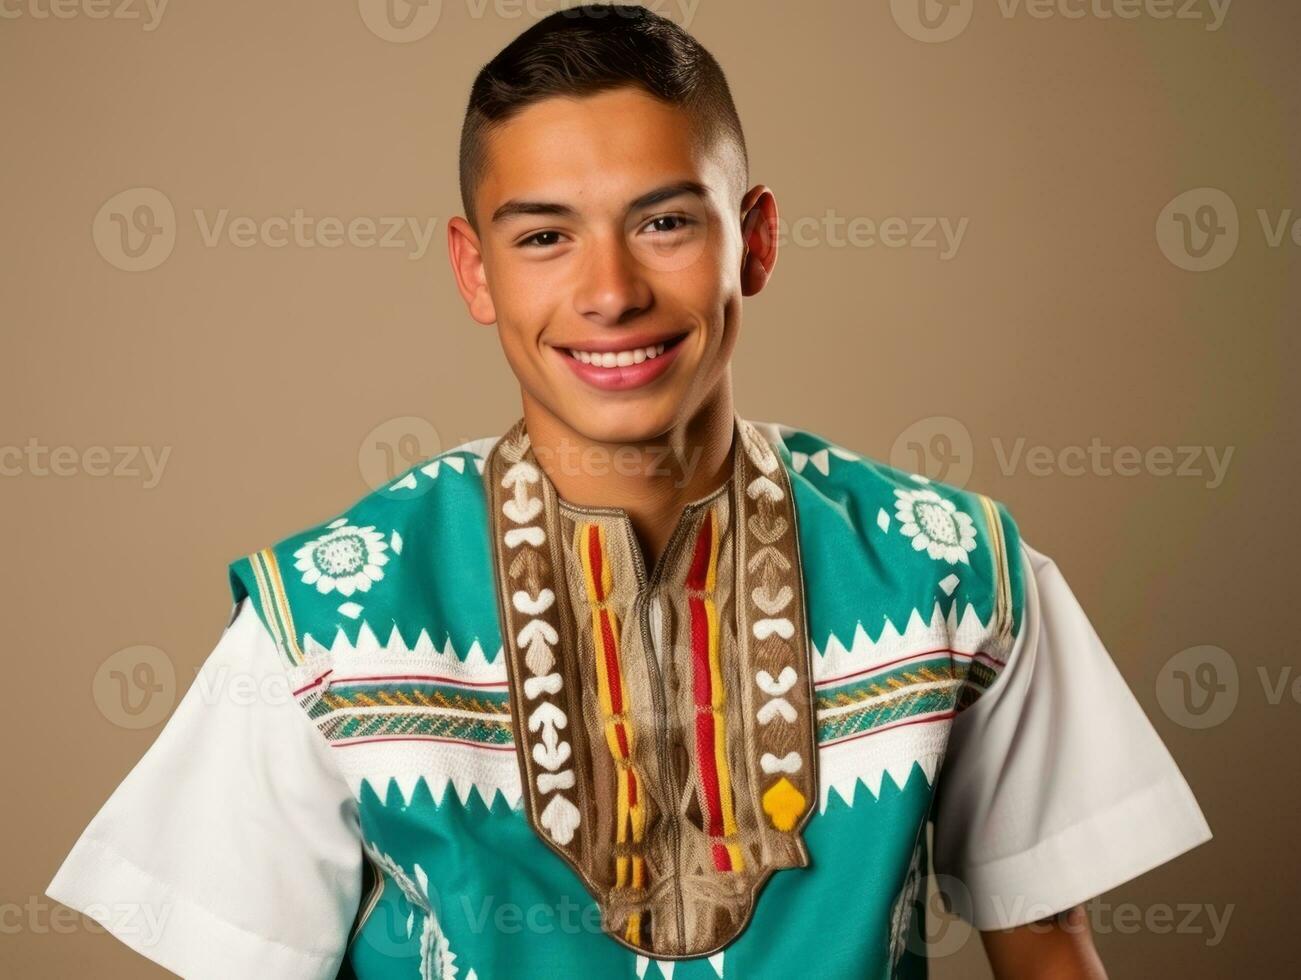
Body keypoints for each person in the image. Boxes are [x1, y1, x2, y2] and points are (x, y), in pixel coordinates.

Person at [45, 6, 1212, 978]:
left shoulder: (952, 566)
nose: (608, 291)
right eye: (544, 235)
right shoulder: (323, 624)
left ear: (750, 240)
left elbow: (1048, 943)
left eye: (661, 222)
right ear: (474, 268)